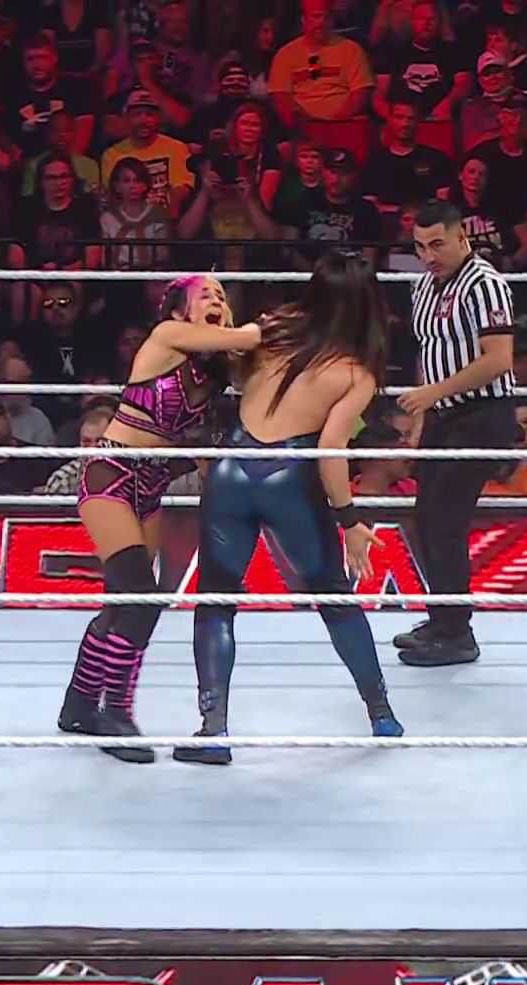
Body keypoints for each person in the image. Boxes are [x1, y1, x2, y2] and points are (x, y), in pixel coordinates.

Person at [183, 251, 403, 766]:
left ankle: (213, 730)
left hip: (233, 468)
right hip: (291, 478)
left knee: (215, 602)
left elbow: (232, 368)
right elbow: (331, 451)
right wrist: (349, 520)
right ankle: (381, 714)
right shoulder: (355, 371)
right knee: (335, 598)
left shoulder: (276, 328)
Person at [60, 276, 261, 763]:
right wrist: (265, 330)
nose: (216, 300)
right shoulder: (166, 337)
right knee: (141, 597)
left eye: (221, 296)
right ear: (178, 311)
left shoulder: (215, 371)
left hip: (152, 483)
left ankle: (79, 704)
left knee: (123, 599)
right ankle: (116, 712)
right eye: (205, 295)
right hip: (112, 471)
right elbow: (247, 338)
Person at [396, 200, 520, 667]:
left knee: (445, 519)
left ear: (462, 238)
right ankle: (442, 619)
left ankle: (457, 634)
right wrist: (423, 415)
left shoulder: (484, 284)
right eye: (420, 247)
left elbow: (498, 359)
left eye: (437, 245)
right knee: (426, 517)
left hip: (482, 414)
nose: (429, 256)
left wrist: (432, 393)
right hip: (443, 417)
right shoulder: (423, 287)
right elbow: (430, 351)